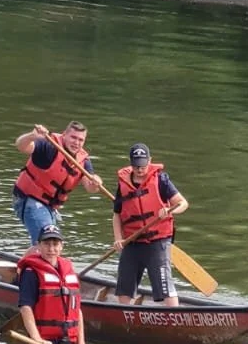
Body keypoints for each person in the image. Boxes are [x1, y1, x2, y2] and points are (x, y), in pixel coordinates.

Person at [113, 142, 189, 307]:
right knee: (124, 288)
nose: (140, 169)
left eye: (143, 165)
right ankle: (126, 318)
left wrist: (169, 210)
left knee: (165, 287)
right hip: (132, 241)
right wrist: (118, 239)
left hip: (158, 241)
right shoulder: (123, 184)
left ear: (150, 160)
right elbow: (117, 214)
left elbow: (183, 203)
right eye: (136, 165)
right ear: (131, 163)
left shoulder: (161, 180)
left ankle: (174, 318)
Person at [13, 121, 104, 243]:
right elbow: (21, 146)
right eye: (73, 137)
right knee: (47, 243)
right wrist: (31, 136)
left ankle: (25, 262)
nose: (76, 143)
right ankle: (39, 260)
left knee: (50, 245)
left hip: (49, 206)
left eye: (81, 140)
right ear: (65, 134)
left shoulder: (83, 161)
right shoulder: (49, 145)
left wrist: (96, 182)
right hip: (29, 199)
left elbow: (90, 188)